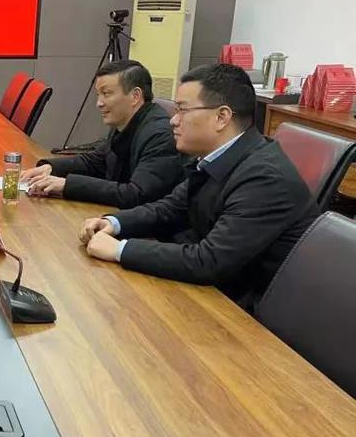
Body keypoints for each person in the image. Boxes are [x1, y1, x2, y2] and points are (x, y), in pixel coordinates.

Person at [80, 63, 318, 311]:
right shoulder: (220, 156)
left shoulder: (264, 178)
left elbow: (210, 260)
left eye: (182, 110)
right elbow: (171, 208)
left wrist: (121, 249)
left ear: (221, 117)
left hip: (247, 312)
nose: (173, 120)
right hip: (217, 292)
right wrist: (114, 223)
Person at [22, 60, 183, 208]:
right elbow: (96, 161)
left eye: (106, 94)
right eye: (98, 95)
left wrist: (67, 185)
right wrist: (50, 168)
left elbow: (136, 194)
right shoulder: (125, 120)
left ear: (135, 96)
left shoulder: (159, 135)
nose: (99, 103)